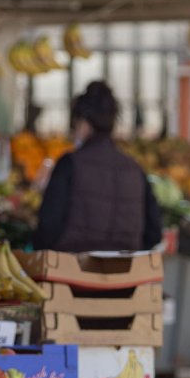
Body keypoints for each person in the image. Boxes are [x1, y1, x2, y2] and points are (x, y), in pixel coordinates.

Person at [34, 81, 162, 252]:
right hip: (124, 267)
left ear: (83, 122)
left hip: (72, 265)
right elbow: (154, 233)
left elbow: (48, 227)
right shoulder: (135, 169)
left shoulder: (70, 163)